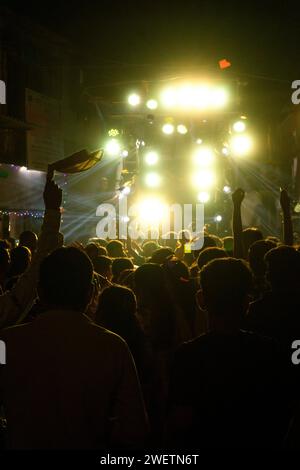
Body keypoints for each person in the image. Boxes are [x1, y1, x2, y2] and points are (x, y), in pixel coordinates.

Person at [0, 247, 148, 449]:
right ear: (90, 293)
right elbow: (134, 428)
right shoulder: (113, 347)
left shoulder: (5, 343)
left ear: (39, 292)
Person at [166, 258, 290, 448]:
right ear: (247, 302)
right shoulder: (270, 350)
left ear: (201, 300)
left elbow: (181, 420)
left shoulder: (188, 356)